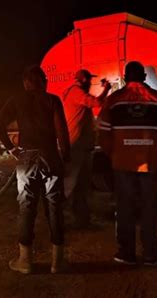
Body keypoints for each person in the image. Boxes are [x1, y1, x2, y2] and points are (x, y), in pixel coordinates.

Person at [0, 65, 70, 274]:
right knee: (54, 207)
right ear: (43, 82)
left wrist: (11, 148)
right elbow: (62, 132)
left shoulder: (17, 100)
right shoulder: (52, 100)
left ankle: (25, 261)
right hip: (50, 156)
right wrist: (66, 157)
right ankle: (57, 262)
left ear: (25, 83)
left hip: (27, 157)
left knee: (27, 207)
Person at [97, 61, 157, 266]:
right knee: (149, 207)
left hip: (122, 163)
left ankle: (126, 253)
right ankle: (151, 253)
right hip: (150, 163)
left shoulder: (114, 100)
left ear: (125, 76)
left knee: (125, 208)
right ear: (144, 78)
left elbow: (102, 133)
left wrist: (112, 153)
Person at [62, 69, 111, 227]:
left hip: (82, 146)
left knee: (81, 185)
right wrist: (106, 90)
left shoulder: (76, 92)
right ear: (83, 79)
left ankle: (82, 219)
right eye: (89, 80)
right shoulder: (76, 92)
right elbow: (96, 103)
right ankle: (60, 219)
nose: (91, 83)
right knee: (69, 184)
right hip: (75, 146)